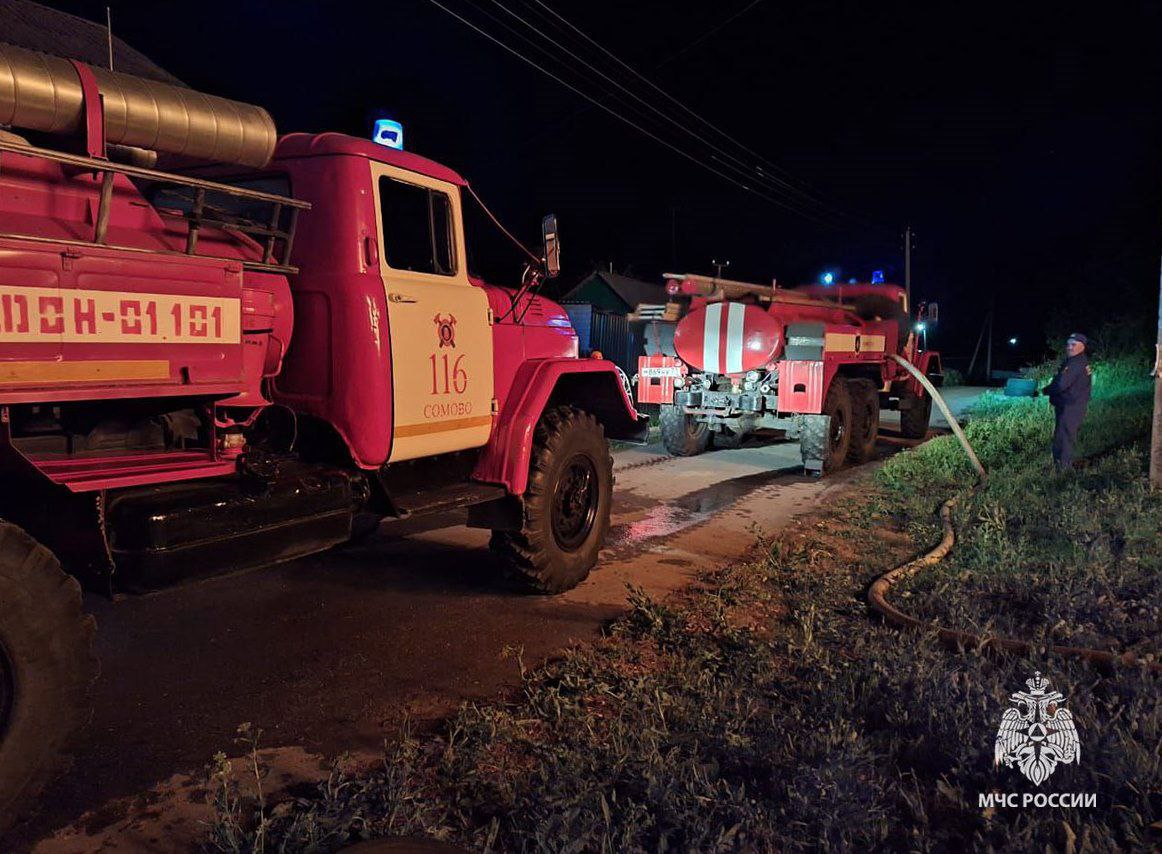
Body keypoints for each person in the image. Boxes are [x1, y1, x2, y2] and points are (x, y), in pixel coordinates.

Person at [1043, 333, 1092, 470]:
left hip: (1070, 407)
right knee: (1065, 437)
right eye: (1068, 344)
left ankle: (1063, 470)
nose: (1070, 347)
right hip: (1073, 405)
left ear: (1082, 346)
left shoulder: (1075, 363)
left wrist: (1045, 390)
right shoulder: (1079, 361)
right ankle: (1062, 467)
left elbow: (1061, 385)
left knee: (1064, 439)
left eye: (1073, 344)